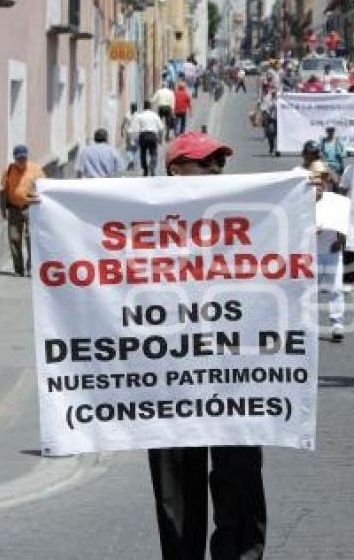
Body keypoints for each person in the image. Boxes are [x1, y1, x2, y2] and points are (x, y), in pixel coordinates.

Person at [146, 132, 266, 560]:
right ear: (175, 168)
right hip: (168, 378)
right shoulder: (137, 215)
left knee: (240, 480)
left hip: (233, 376)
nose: (215, 171)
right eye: (204, 163)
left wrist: (306, 195)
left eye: (219, 163)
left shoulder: (242, 212)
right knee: (177, 489)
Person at [309, 160, 346, 341]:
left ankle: (337, 324)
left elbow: (345, 224)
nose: (320, 182)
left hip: (332, 252)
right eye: (316, 179)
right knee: (308, 290)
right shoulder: (302, 201)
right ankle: (305, 324)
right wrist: (311, 231)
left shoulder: (335, 200)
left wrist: (341, 240)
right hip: (311, 253)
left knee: (336, 289)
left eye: (323, 178)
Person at [0, 145, 43, 277]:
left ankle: (31, 267)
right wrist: (2, 208)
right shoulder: (8, 170)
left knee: (31, 238)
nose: (21, 162)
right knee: (14, 238)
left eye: (24, 158)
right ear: (14, 158)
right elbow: (3, 190)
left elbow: (44, 187)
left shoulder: (35, 169)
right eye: (19, 159)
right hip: (13, 208)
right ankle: (18, 269)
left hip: (31, 208)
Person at [133, 101, 165, 176]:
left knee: (143, 153)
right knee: (154, 153)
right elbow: (161, 128)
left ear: (144, 107)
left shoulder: (140, 116)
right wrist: (160, 138)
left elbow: (136, 128)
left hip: (143, 135)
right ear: (150, 107)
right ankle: (152, 166)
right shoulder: (155, 115)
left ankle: (145, 169)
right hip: (152, 135)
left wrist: (136, 138)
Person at [120, 102, 140, 171]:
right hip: (136, 133)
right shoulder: (139, 116)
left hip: (129, 133)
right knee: (135, 149)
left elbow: (123, 124)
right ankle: (133, 162)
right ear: (136, 108)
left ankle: (131, 161)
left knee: (128, 149)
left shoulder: (127, 115)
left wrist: (121, 132)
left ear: (131, 108)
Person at [260, 89, 279, 156]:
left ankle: (278, 149)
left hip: (280, 121)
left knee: (278, 136)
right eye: (273, 94)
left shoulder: (281, 102)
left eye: (275, 94)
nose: (275, 95)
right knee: (270, 135)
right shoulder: (269, 101)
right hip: (271, 120)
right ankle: (271, 147)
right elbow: (264, 108)